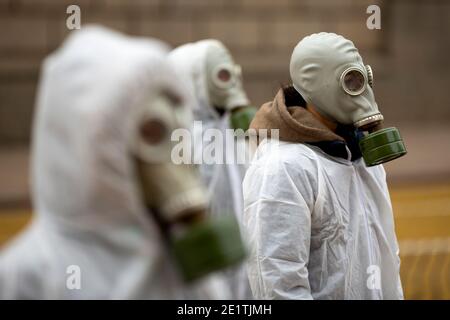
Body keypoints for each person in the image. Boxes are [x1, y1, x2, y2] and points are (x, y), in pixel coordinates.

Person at [0, 26, 245, 299]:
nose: (172, 157)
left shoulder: (176, 263)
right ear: (90, 144)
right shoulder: (28, 277)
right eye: (152, 133)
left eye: (177, 127)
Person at [243, 32, 406, 299]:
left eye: (361, 79)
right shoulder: (284, 166)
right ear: (312, 85)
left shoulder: (363, 157)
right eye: (350, 82)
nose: (361, 90)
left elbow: (388, 256)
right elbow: (277, 278)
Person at [168, 40, 255, 299]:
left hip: (244, 264)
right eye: (220, 75)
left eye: (230, 74)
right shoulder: (182, 139)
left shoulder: (232, 133)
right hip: (204, 267)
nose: (229, 84)